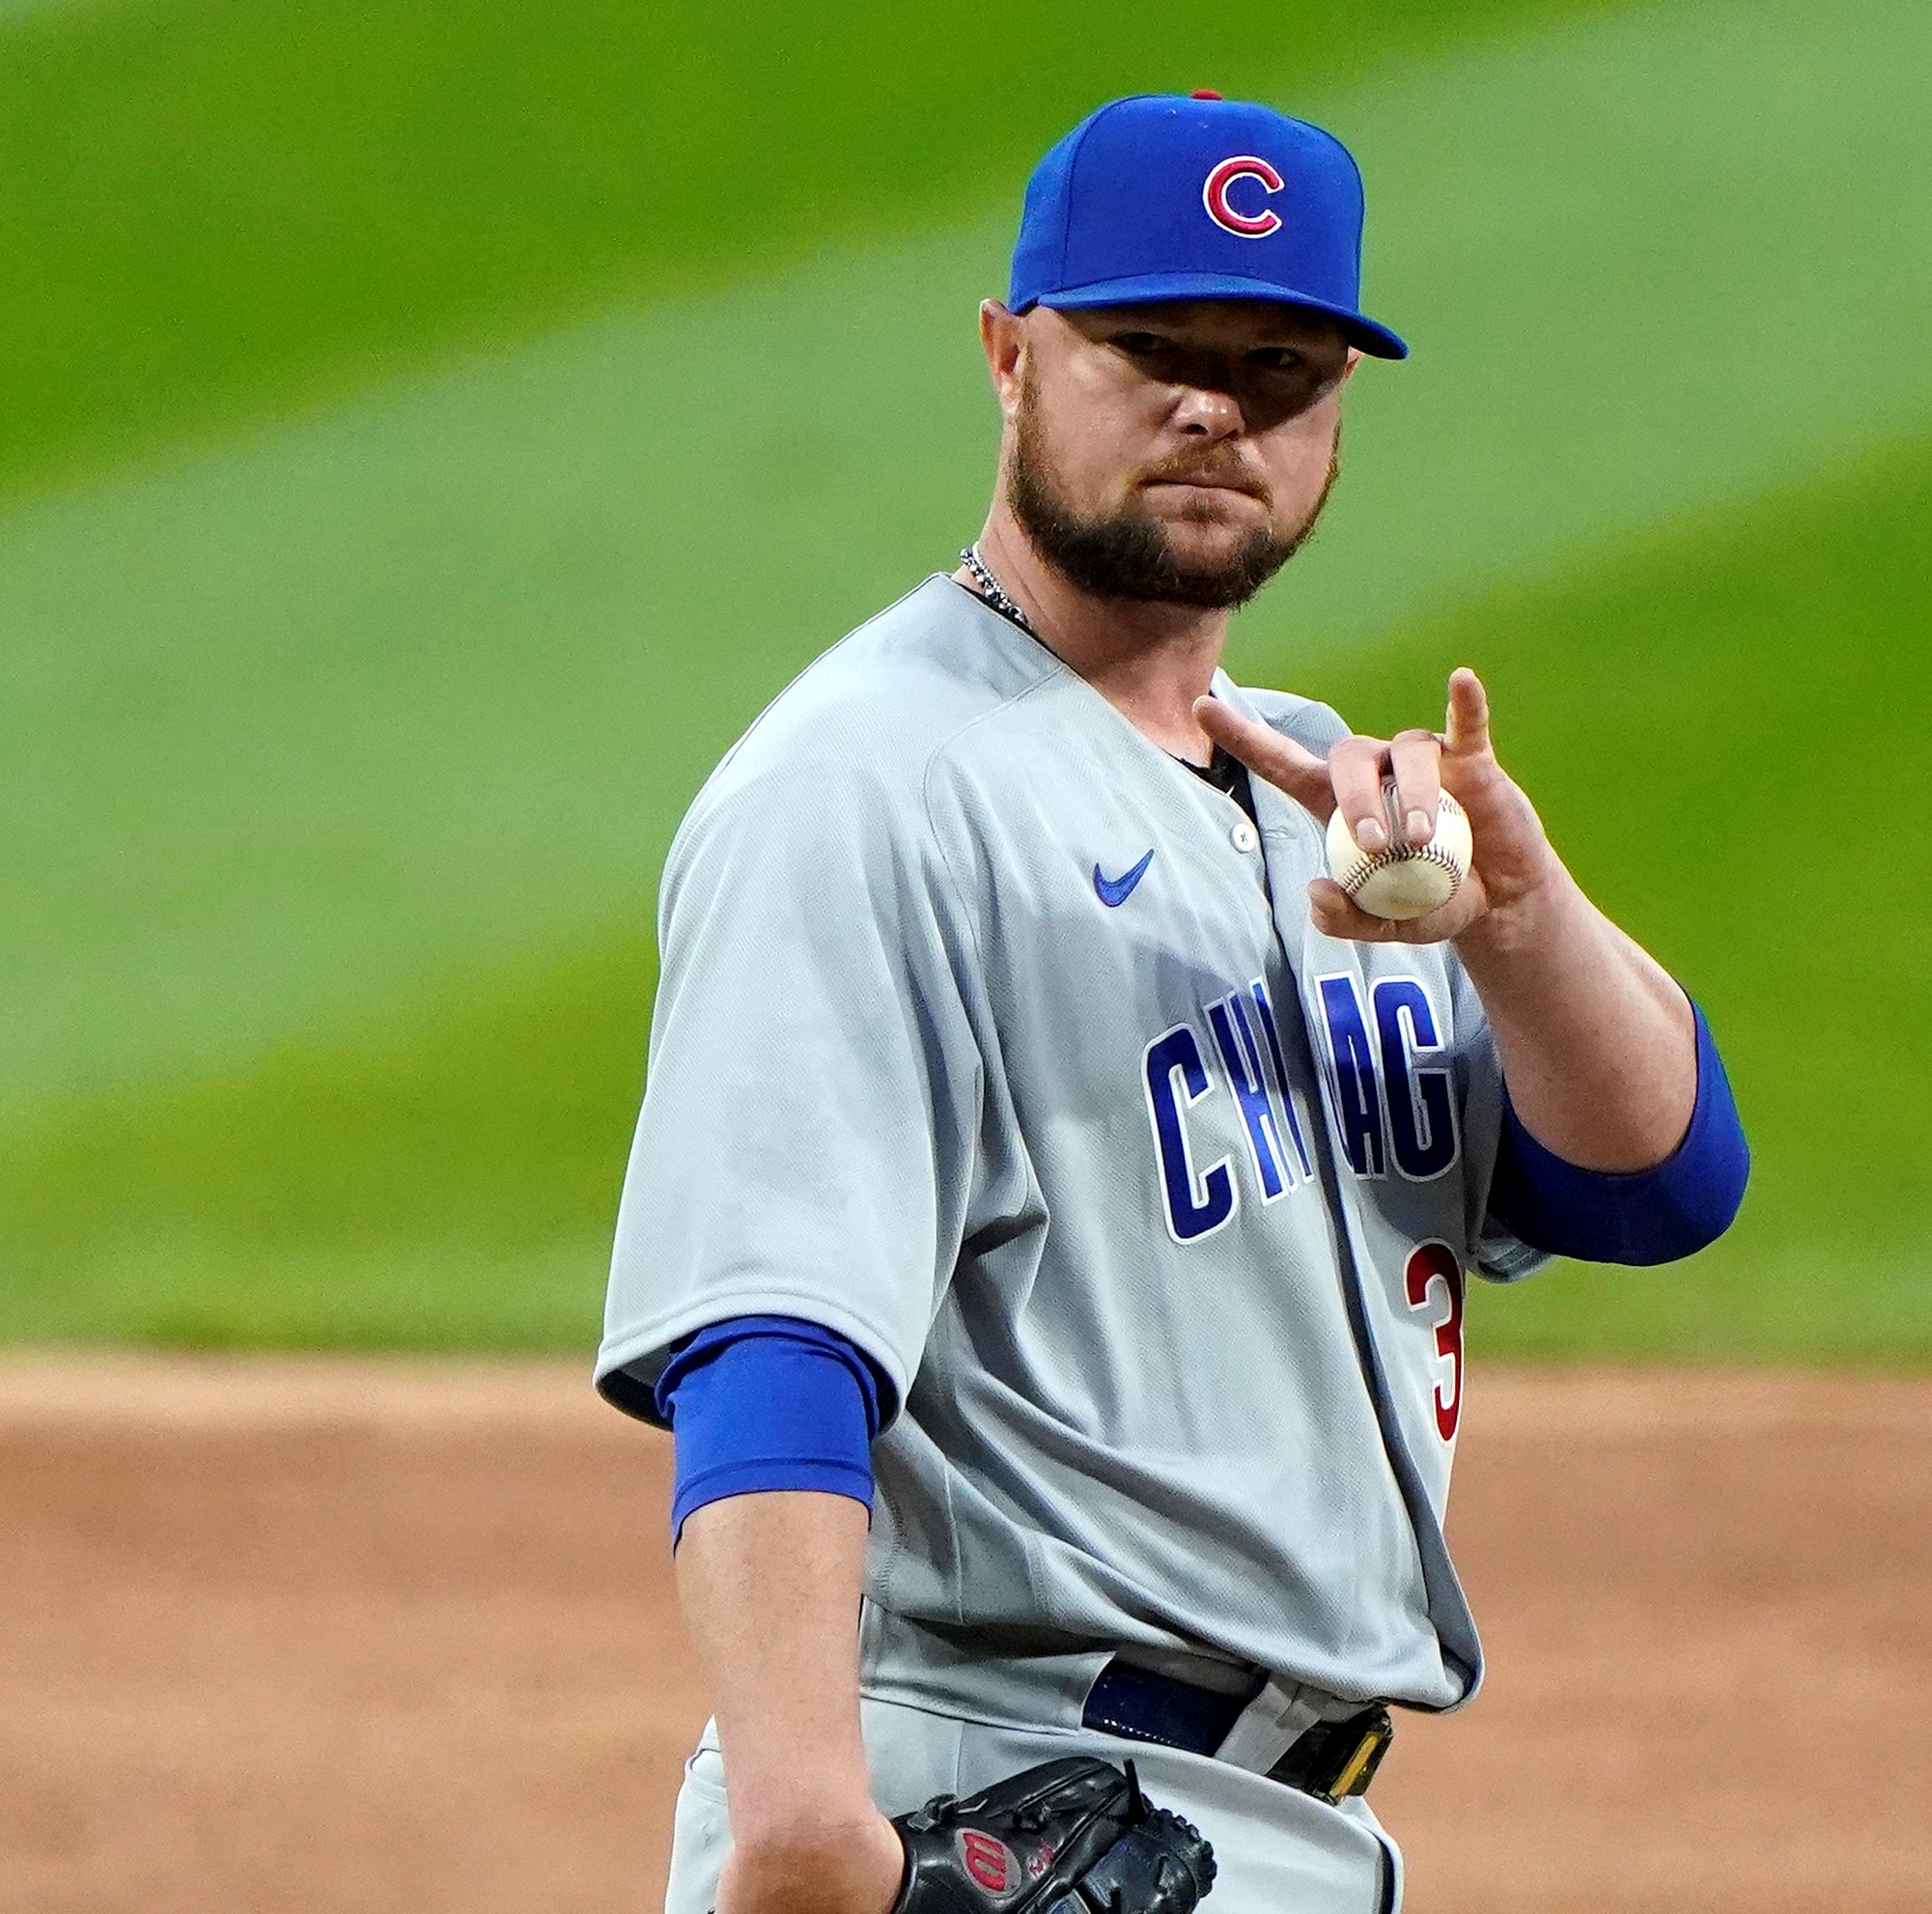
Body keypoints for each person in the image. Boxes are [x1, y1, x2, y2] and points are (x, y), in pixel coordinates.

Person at [594, 90, 1750, 1914]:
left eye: (1282, 366)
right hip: (986, 1807)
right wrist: (806, 1828)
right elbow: (769, 1333)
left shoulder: (1327, 797)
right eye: (1155, 348)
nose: (1219, 407)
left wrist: (1516, 917)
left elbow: (1658, 1186)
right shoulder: (869, 784)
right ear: (1009, 355)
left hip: (1269, 1834)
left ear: (1339, 423)